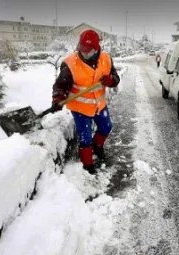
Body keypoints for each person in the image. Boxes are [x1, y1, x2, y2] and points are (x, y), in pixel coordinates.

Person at [52, 29, 120, 174]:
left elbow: (115, 77)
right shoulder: (70, 63)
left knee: (106, 127)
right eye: (82, 49)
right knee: (85, 137)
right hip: (80, 108)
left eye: (88, 50)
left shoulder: (106, 58)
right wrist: (58, 98)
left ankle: (98, 146)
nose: (85, 53)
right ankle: (87, 165)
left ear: (96, 48)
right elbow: (60, 85)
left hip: (99, 105)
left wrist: (111, 80)